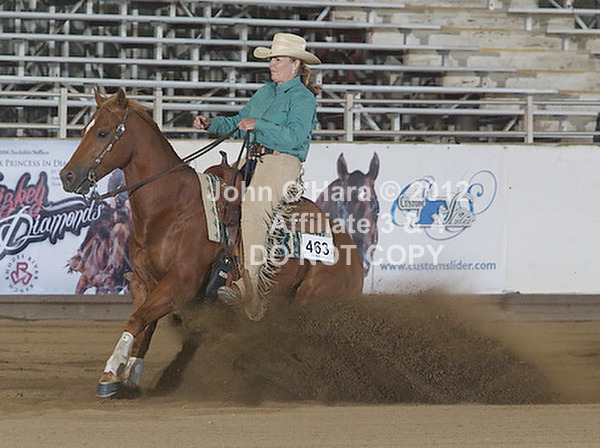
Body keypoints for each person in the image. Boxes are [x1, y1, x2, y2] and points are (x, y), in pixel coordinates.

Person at [193, 32, 321, 316]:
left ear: (295, 64)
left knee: (253, 209)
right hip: (251, 159)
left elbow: (294, 137)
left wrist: (259, 125)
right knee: (209, 192)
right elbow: (239, 122)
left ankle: (249, 287)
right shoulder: (265, 92)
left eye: (278, 59)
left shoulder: (303, 99)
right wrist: (211, 124)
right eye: (271, 59)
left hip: (282, 162)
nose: (271, 64)